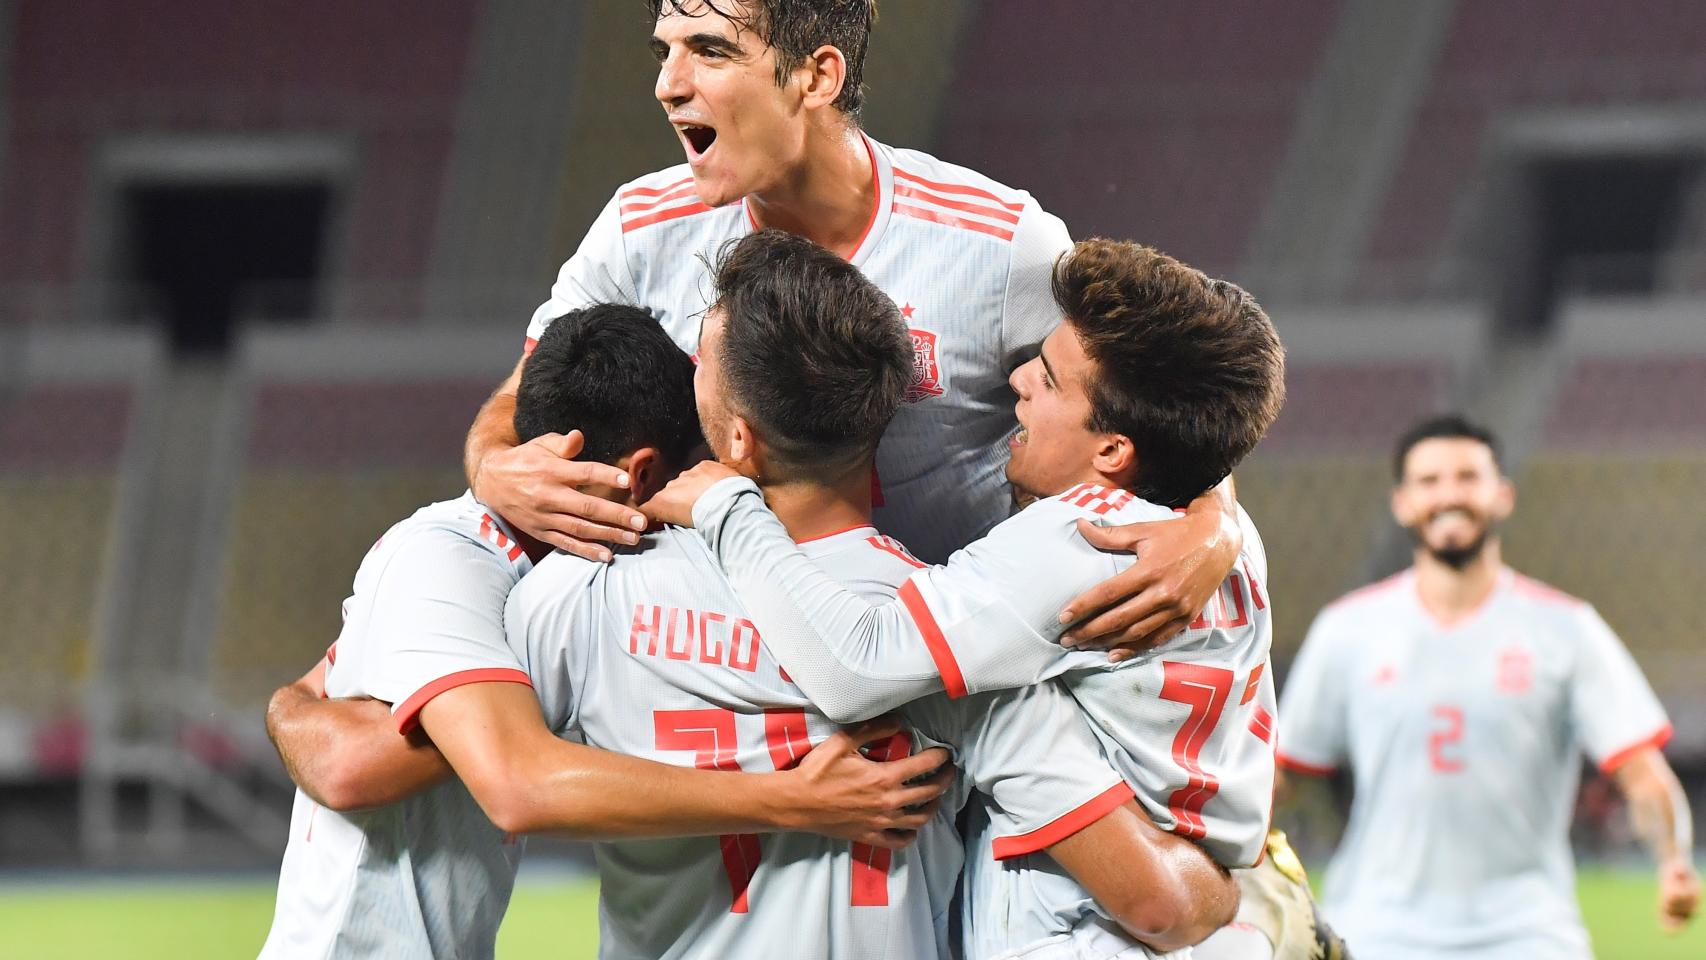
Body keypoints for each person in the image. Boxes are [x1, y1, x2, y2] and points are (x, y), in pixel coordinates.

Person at [502, 230, 1237, 959]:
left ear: (739, 440)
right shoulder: (957, 645)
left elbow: (499, 776)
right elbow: (1158, 900)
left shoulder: (580, 591)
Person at [461, 0, 1243, 654]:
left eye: (710, 49)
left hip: (942, 653)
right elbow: (522, 391)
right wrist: (491, 466)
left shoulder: (1000, 242)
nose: (668, 85)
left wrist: (1214, 528)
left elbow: (1154, 401)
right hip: (732, 654)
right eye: (664, 51)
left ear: (817, 74)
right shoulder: (639, 226)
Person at [258, 304, 950, 960]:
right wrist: (796, 801)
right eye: (684, 464)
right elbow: (395, 771)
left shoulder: (556, 585)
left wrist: (292, 700)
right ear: (642, 471)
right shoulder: (449, 558)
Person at [1275, 414, 1701, 958]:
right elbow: (1282, 775)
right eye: (1430, 481)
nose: (1449, 494)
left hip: (1527, 932)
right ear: (1402, 501)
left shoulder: (1567, 629)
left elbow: (1644, 776)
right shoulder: (1348, 629)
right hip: (1376, 927)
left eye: (1467, 478)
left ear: (1503, 495)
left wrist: (1675, 862)